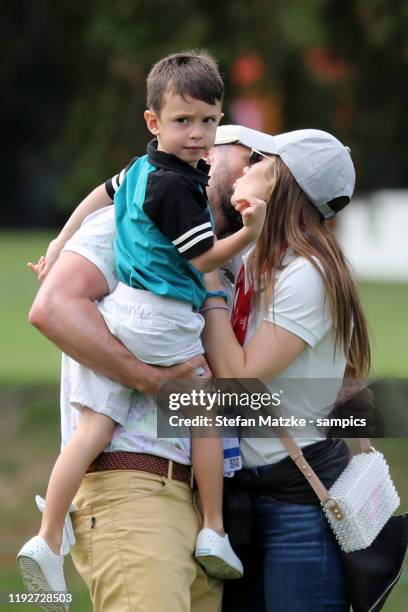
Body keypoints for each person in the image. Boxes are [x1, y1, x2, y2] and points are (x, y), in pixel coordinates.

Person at [17, 53, 268, 598]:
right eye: (245, 159)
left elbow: (98, 194)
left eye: (210, 122)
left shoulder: (142, 174)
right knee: (199, 402)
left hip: (171, 488)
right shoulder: (175, 201)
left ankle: (47, 535)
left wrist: (57, 244)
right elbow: (50, 308)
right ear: (155, 123)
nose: (201, 136)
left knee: (97, 427)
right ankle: (215, 532)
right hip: (136, 488)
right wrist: (150, 379)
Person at [197, 128, 371, 611]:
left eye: (257, 162)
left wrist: (208, 277)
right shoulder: (261, 258)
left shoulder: (307, 274)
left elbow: (239, 376)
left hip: (300, 504)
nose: (243, 167)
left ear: (281, 182)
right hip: (251, 497)